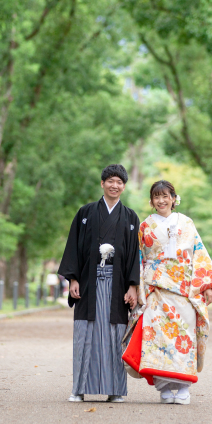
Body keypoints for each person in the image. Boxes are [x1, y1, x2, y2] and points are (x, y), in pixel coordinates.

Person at [123, 180, 212, 405]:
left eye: (165, 196)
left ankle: (184, 388)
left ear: (173, 198)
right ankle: (165, 388)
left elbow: (198, 252)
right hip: (156, 288)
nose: (161, 200)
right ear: (151, 201)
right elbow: (138, 258)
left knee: (182, 336)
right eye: (156, 197)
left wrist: (205, 285)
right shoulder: (145, 226)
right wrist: (137, 287)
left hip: (184, 288)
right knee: (158, 337)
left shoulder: (187, 223)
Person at [57, 164, 140, 403]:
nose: (115, 185)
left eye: (119, 182)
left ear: (124, 186)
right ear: (102, 183)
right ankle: (79, 389)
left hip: (118, 286)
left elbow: (134, 254)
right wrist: (73, 278)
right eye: (110, 181)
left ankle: (115, 390)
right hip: (88, 283)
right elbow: (74, 246)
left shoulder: (131, 217)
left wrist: (132, 286)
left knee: (115, 336)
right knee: (86, 334)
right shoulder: (85, 213)